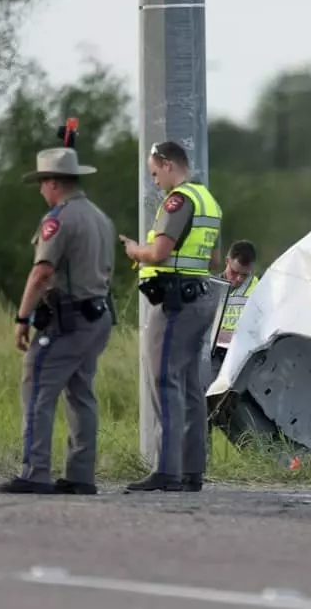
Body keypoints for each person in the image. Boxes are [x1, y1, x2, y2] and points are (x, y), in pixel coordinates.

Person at [0, 147, 117, 495]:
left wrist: (22, 317)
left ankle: (35, 472)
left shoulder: (59, 219)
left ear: (53, 182)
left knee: (36, 389)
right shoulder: (99, 217)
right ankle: (81, 474)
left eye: (41, 182)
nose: (39, 190)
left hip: (69, 319)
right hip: (98, 315)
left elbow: (42, 271)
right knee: (81, 393)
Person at [119, 140, 222, 493]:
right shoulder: (208, 200)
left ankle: (167, 470)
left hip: (177, 303)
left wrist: (135, 250)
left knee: (164, 381)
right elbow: (214, 260)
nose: (154, 182)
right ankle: (191, 470)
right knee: (190, 385)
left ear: (167, 164)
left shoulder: (179, 200)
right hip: (201, 297)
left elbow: (160, 252)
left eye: (154, 173)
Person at [211, 240, 260, 373]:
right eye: (234, 272)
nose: (238, 279)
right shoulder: (212, 287)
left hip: (241, 360)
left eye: (244, 275)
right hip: (213, 356)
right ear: (227, 261)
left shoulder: (259, 290)